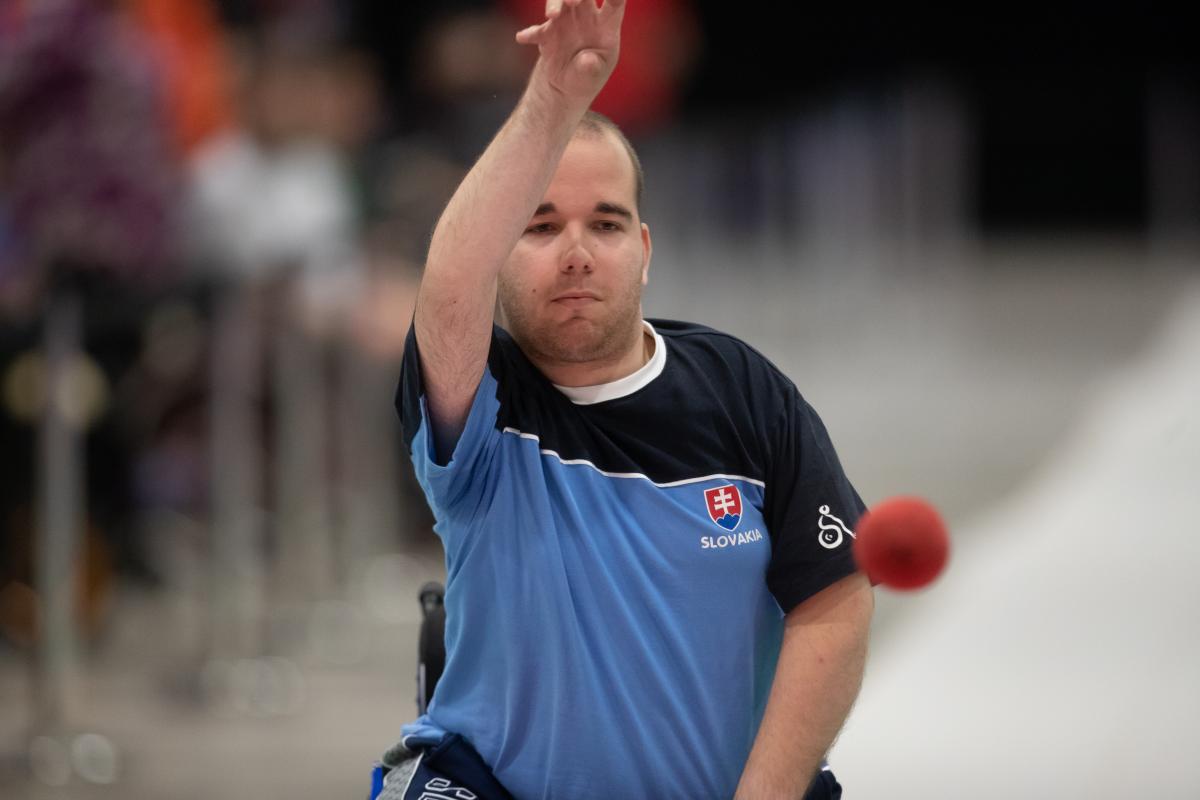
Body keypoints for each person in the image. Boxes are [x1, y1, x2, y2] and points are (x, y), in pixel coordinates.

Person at [380, 0, 874, 797]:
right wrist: (553, 97)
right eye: (539, 228)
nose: (576, 254)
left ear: (642, 252)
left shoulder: (743, 391)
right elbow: (447, 288)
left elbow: (837, 598)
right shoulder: (484, 406)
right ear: (500, 254)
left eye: (605, 225)